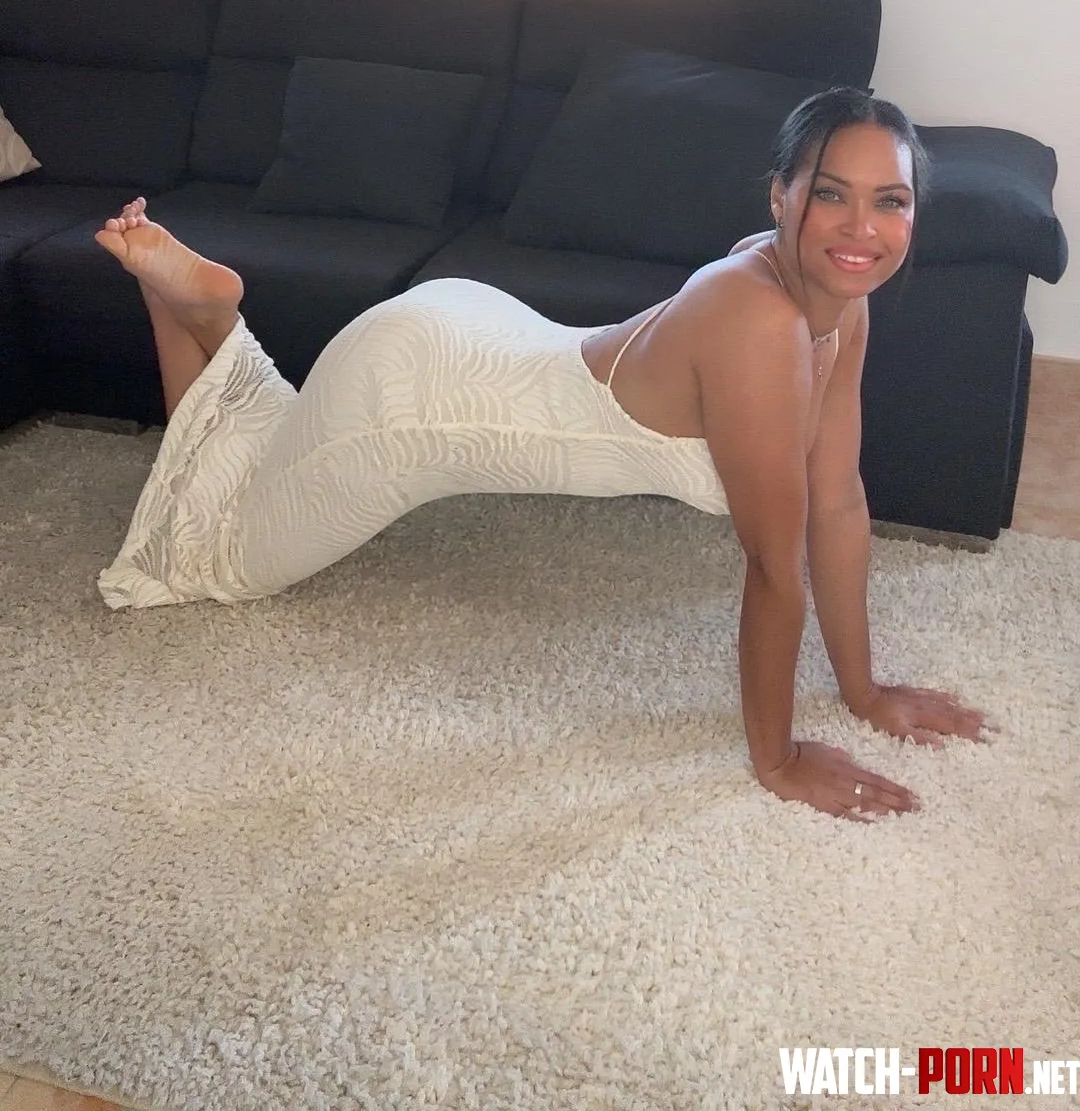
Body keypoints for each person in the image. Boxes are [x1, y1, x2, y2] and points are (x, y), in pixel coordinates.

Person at [95, 85, 991, 820]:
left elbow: (836, 501)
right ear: (779, 198)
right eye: (831, 194)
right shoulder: (758, 320)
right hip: (415, 404)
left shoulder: (838, 296)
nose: (861, 228)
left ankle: (203, 316)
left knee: (271, 458)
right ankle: (195, 311)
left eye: (890, 201)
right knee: (213, 558)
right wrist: (779, 757)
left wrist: (864, 691)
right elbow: (773, 562)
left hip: (474, 335)